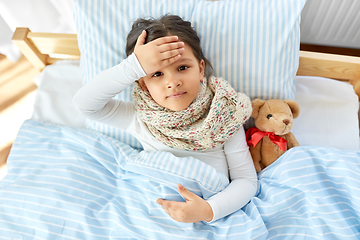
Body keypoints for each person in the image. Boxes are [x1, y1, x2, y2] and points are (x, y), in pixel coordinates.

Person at [73, 14, 257, 223]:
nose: (173, 82)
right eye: (157, 74)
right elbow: (85, 104)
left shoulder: (225, 115)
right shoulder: (139, 118)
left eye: (182, 68)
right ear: (143, 84)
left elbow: (246, 181)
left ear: (200, 69)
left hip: (206, 215)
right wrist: (133, 67)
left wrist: (209, 210)